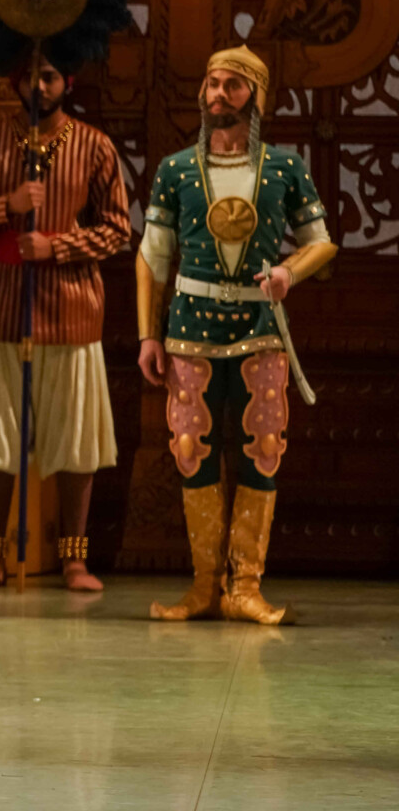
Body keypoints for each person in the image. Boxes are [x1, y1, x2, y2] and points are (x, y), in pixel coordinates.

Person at [139, 46, 334, 625]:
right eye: (213, 83)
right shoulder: (176, 170)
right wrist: (148, 335)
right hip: (190, 332)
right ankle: (204, 585)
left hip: (260, 331)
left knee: (263, 450)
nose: (219, 94)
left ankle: (244, 586)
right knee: (190, 451)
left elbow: (321, 241)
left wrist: (288, 272)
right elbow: (152, 256)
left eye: (233, 85)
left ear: (256, 97)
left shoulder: (284, 168)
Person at [0, 59, 129, 591]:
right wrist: (5, 206)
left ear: (67, 81)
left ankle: (74, 559)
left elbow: (118, 229)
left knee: (75, 438)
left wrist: (58, 246)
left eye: (50, 76)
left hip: (71, 308)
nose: (41, 86)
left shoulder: (95, 145)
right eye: (31, 76)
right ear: (16, 81)